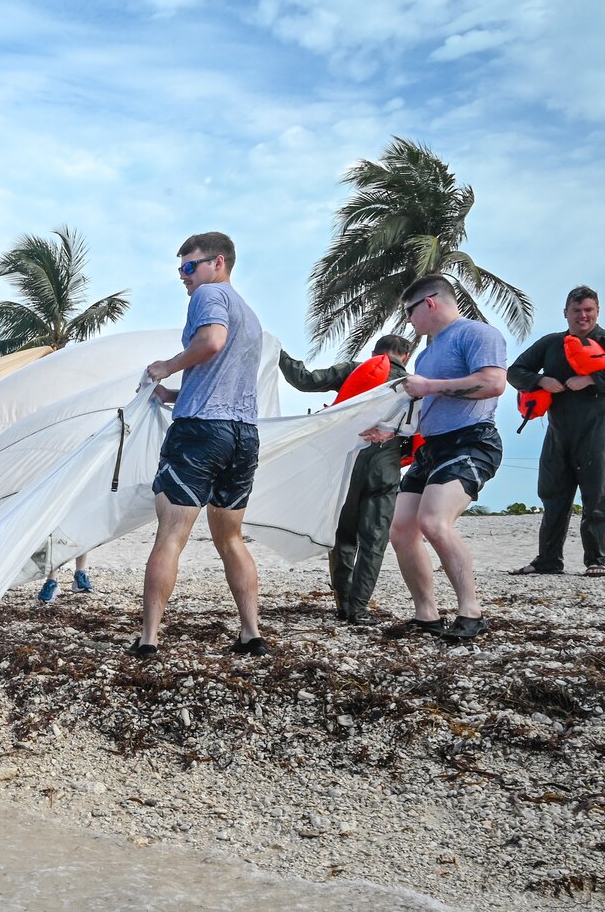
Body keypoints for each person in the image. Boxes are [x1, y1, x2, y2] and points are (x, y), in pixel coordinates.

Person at [135, 233, 267, 657]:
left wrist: (166, 367)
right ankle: (251, 634)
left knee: (171, 535)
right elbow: (221, 377)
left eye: (190, 267)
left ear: (218, 263)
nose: (184, 278)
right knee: (231, 539)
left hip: (200, 433)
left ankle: (149, 640)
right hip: (242, 434)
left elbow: (210, 342)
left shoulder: (210, 295)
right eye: (181, 270)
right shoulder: (250, 315)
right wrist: (176, 394)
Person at [362, 275, 508, 640]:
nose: (408, 321)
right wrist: (392, 431)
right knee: (401, 527)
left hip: (471, 441)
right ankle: (427, 615)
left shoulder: (477, 334)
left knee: (433, 521)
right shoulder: (427, 354)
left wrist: (430, 386)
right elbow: (426, 407)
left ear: (429, 303)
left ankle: (471, 613)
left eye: (409, 312)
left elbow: (493, 383)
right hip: (431, 448)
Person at [278, 334, 413, 623]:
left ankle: (342, 602)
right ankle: (359, 608)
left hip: (348, 461)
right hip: (385, 466)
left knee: (344, 536)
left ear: (374, 354)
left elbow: (304, 380)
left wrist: (279, 352)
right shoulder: (412, 384)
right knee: (374, 540)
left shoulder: (356, 369)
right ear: (407, 356)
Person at [507, 285, 605, 576]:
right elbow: (515, 372)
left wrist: (591, 379)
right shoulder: (551, 344)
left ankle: (597, 560)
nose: (582, 316)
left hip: (598, 433)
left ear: (597, 311)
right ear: (566, 313)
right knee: (552, 498)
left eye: (588, 310)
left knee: (597, 498)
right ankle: (548, 560)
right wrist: (540, 381)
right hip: (558, 433)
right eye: (576, 311)